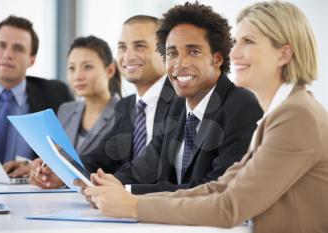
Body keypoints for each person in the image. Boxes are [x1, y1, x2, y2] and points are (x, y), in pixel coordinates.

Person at [82, 1, 328, 232]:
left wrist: (132, 205)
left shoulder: (297, 116)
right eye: (237, 42)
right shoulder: (282, 112)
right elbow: (219, 187)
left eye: (248, 42)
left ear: (283, 55)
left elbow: (229, 206)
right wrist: (123, 193)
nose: (234, 52)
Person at [77, 1, 263, 195]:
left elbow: (217, 187)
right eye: (172, 53)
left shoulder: (241, 105)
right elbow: (147, 166)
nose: (180, 63)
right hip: (172, 222)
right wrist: (105, 185)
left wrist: (128, 192)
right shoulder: (177, 106)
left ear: (217, 59)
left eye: (193, 52)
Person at [30, 15, 177, 188]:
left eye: (140, 46)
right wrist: (63, 171)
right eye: (122, 47)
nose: (128, 56)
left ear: (166, 52)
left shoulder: (180, 101)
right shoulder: (127, 106)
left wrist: (109, 185)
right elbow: (102, 158)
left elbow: (151, 165)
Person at [0, 15, 73, 178]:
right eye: (1, 46)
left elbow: (70, 153)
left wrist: (36, 166)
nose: (7, 54)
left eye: (18, 48)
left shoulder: (56, 94)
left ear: (32, 59)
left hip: (31, 192)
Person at [29, 36, 122, 188]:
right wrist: (43, 167)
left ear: (110, 70)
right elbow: (56, 159)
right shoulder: (66, 110)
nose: (78, 76)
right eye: (72, 68)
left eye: (87, 67)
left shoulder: (124, 113)